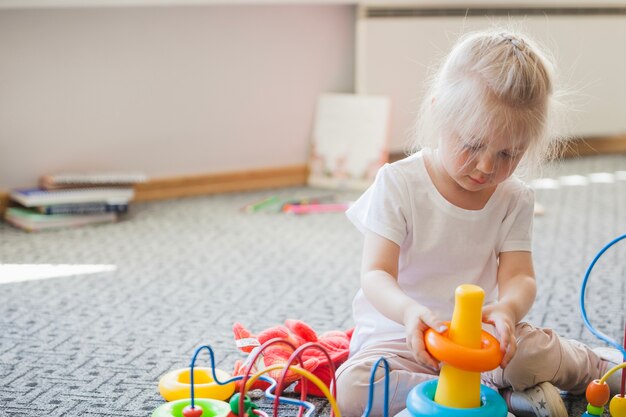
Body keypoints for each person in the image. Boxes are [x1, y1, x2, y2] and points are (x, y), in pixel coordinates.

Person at [335, 28, 623, 417]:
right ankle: (490, 396)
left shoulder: (513, 197)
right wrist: (407, 312)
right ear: (438, 112)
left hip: (483, 339)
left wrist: (507, 310)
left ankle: (598, 366)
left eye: (508, 153)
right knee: (353, 390)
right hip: (404, 338)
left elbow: (520, 277)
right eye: (472, 145)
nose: (487, 167)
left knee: (529, 355)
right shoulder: (398, 183)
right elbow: (375, 274)